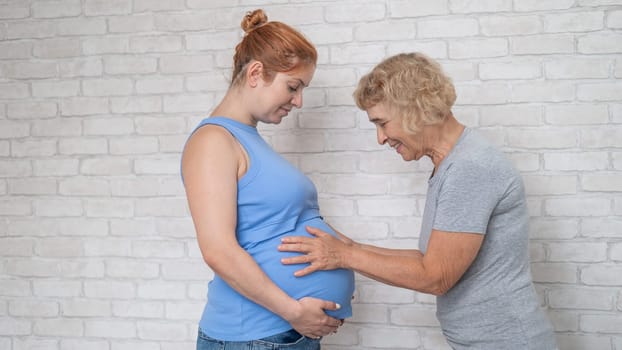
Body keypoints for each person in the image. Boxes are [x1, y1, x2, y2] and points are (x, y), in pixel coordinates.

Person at [278, 52, 558, 349]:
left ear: (415, 108)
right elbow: (429, 260)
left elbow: (435, 276)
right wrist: (350, 247)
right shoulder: (453, 164)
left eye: (382, 123)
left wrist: (342, 256)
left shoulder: (470, 167)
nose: (381, 138)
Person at [181, 9, 354, 350]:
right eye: (293, 86)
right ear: (256, 73)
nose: (299, 101)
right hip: (253, 336)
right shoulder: (213, 141)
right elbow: (217, 249)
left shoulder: (250, 141)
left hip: (285, 334)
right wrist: (294, 311)